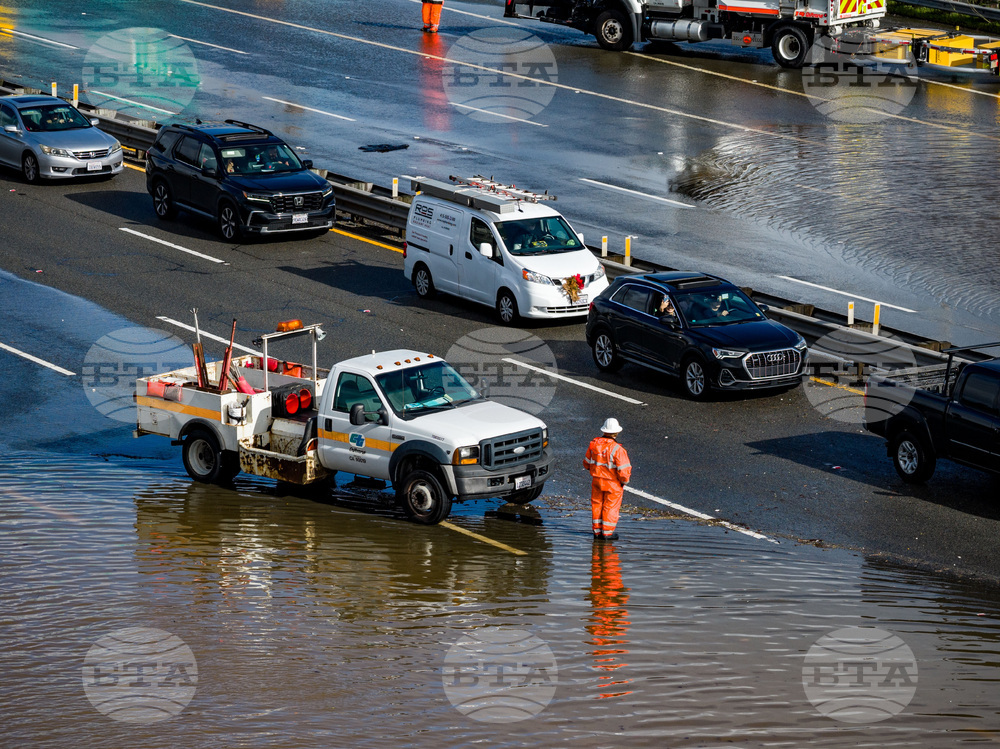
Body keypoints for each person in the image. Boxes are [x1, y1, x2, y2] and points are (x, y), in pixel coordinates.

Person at [583, 418, 632, 541]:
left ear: (604, 430)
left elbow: (586, 463)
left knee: (597, 505)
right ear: (616, 433)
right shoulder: (618, 450)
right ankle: (607, 533)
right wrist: (624, 482)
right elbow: (624, 471)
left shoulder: (594, 445)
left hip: (597, 481)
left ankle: (597, 532)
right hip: (612, 483)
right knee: (610, 507)